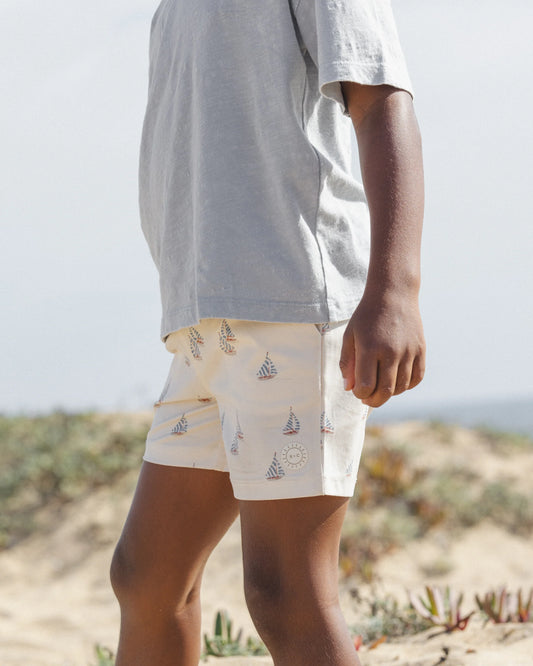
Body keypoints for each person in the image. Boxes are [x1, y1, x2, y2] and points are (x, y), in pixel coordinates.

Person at [110, 0, 425, 664]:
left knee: (286, 592)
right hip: (203, 325)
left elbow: (380, 99)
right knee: (146, 579)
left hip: (289, 303)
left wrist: (395, 289)